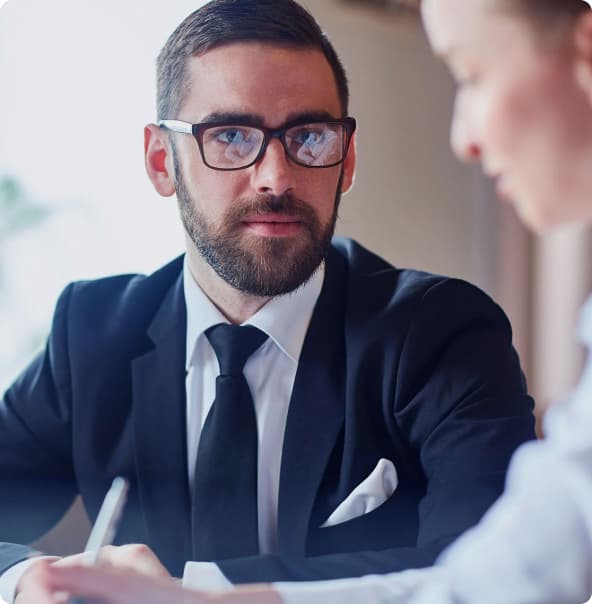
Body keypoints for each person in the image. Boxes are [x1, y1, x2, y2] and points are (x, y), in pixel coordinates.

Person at [0, 0, 536, 602]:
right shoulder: (91, 333)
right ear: (161, 161)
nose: (276, 177)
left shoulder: (442, 333)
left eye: (309, 137)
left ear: (347, 158)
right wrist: (27, 580)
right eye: (230, 136)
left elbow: (502, 566)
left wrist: (196, 591)